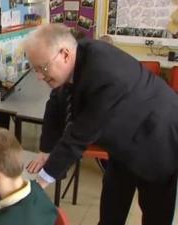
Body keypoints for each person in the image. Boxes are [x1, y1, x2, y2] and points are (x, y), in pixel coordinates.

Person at [24, 24, 178, 225]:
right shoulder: (79, 56)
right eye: (35, 68)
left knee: (155, 214)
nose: (39, 76)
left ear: (64, 54)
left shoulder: (105, 74)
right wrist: (46, 150)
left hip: (158, 141)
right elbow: (55, 103)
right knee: (112, 207)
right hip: (122, 140)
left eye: (42, 68)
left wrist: (41, 182)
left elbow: (80, 134)